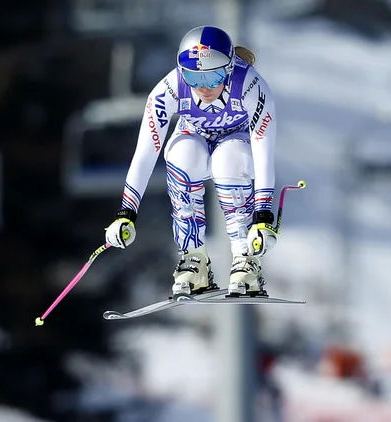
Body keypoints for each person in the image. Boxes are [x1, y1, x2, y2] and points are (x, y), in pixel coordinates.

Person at [104, 25, 278, 297]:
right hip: (192, 136)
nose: (203, 88)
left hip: (238, 141)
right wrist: (126, 213)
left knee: (228, 160)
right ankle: (193, 258)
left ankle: (245, 258)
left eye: (214, 77)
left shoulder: (251, 86)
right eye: (194, 78)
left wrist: (263, 217)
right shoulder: (170, 88)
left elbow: (264, 151)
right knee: (183, 153)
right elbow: (145, 152)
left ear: (230, 68)